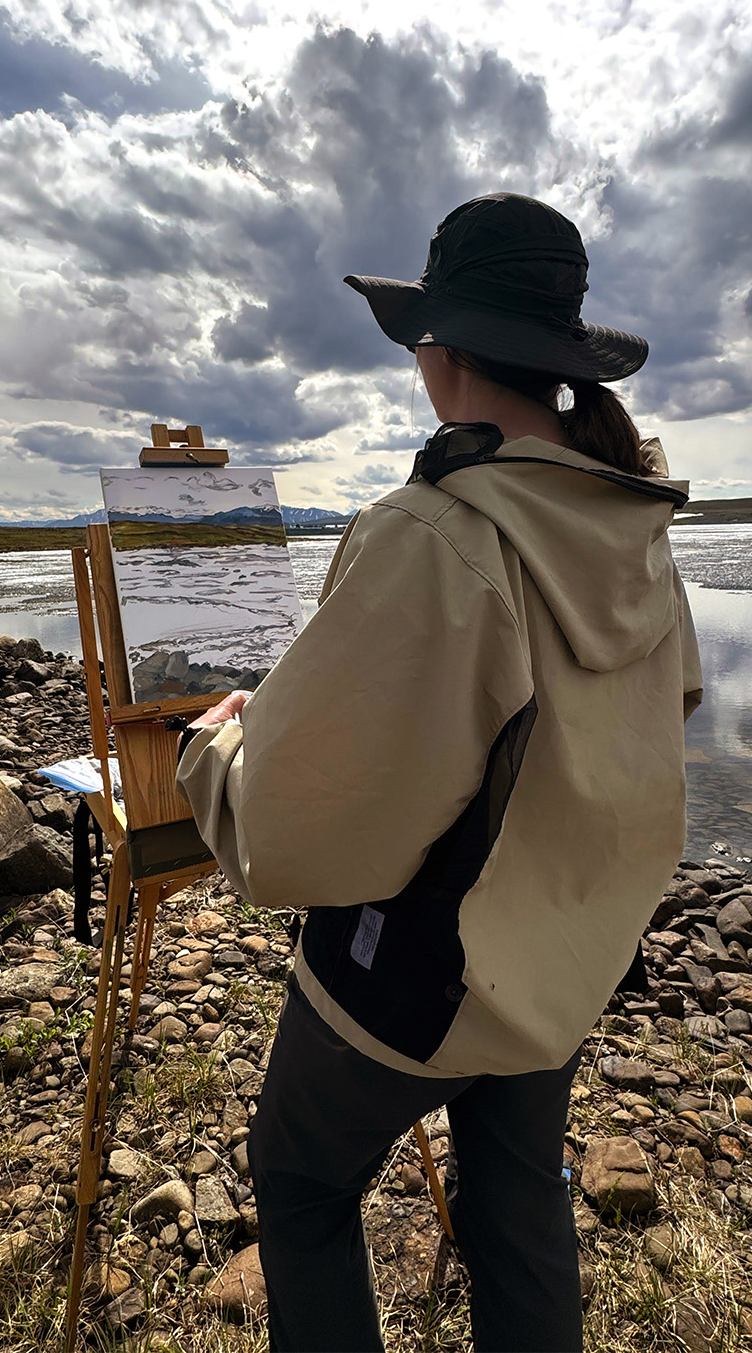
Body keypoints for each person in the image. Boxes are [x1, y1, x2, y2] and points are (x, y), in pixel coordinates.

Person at [177, 192, 703, 1353]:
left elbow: (297, 835)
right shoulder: (633, 523)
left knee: (302, 1185)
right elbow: (652, 725)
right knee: (515, 1201)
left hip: (427, 985)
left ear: (441, 349)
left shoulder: (437, 532)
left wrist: (211, 748)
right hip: (561, 965)